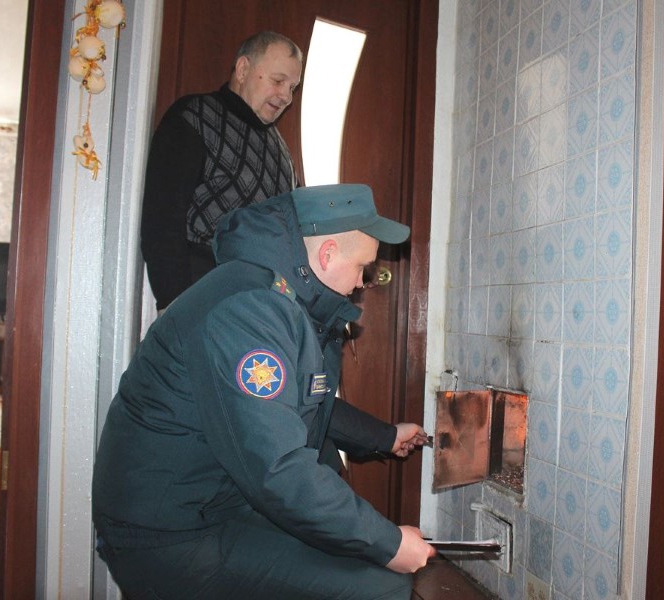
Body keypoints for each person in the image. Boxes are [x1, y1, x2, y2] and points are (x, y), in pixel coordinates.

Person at [93, 184, 436, 599]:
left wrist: (384, 436)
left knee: (365, 565)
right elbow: (279, 467)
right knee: (381, 586)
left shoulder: (271, 295)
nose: (362, 284)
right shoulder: (251, 310)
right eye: (363, 268)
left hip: (211, 505)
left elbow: (298, 404)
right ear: (328, 255)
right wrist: (390, 544)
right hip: (167, 533)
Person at [140, 30, 303, 311]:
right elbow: (162, 217)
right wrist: (173, 303)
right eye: (278, 81)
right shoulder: (195, 117)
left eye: (293, 87)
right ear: (243, 69)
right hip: (202, 297)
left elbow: (296, 228)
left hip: (261, 305)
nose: (286, 96)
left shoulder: (281, 149)